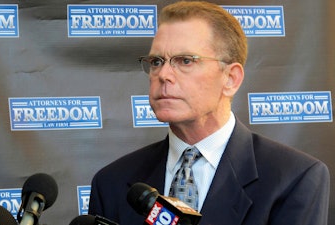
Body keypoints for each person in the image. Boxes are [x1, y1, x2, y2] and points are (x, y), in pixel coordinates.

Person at [88, 1, 330, 225]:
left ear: (231, 78)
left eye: (185, 61)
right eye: (156, 61)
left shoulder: (294, 178)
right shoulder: (112, 182)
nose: (163, 74)